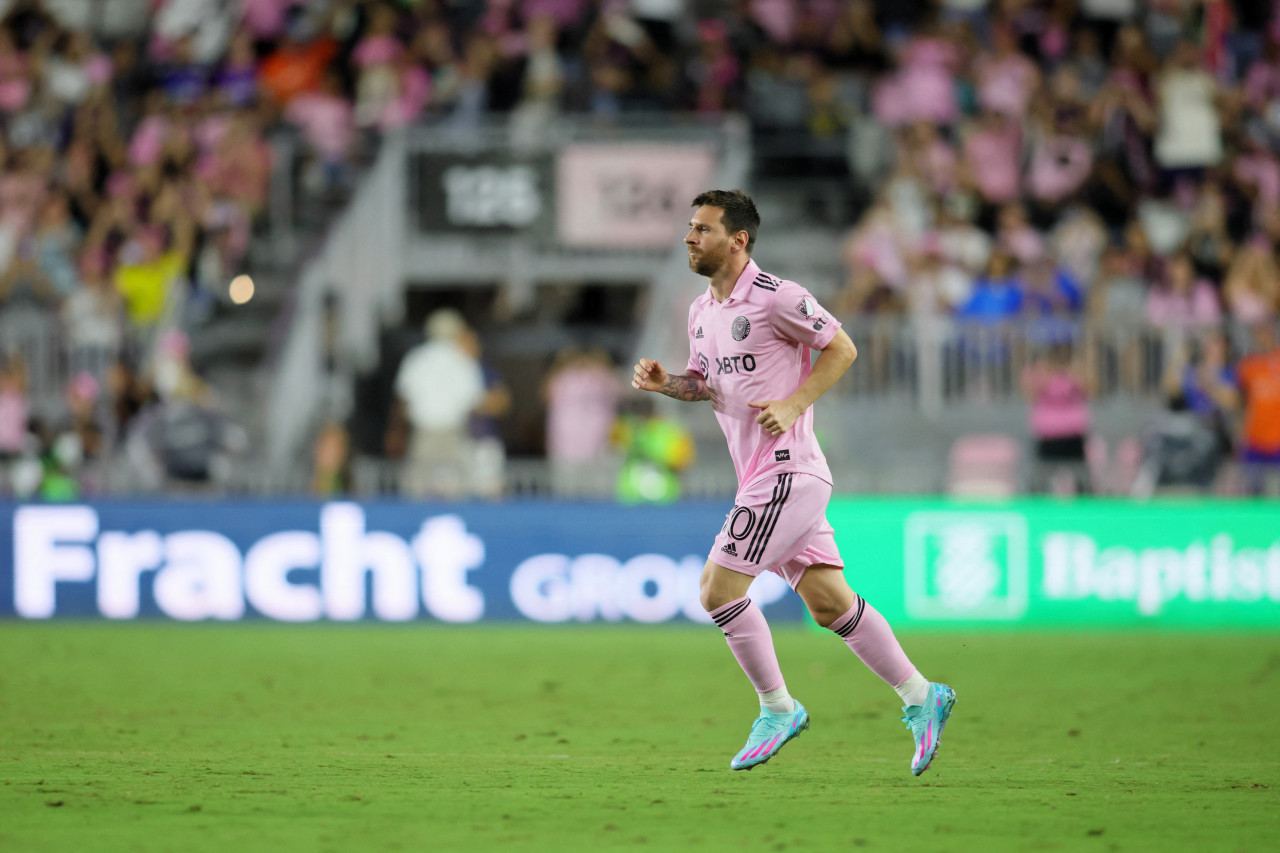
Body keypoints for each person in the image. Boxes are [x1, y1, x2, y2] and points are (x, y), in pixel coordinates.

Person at [631, 189, 956, 774]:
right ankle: (922, 695)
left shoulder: (780, 298)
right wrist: (668, 384)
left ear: (739, 240)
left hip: (789, 473)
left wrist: (794, 401)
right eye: (689, 227)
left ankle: (777, 707)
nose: (689, 237)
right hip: (762, 476)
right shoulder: (701, 310)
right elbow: (706, 383)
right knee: (831, 605)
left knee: (717, 591)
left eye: (702, 229)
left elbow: (843, 347)